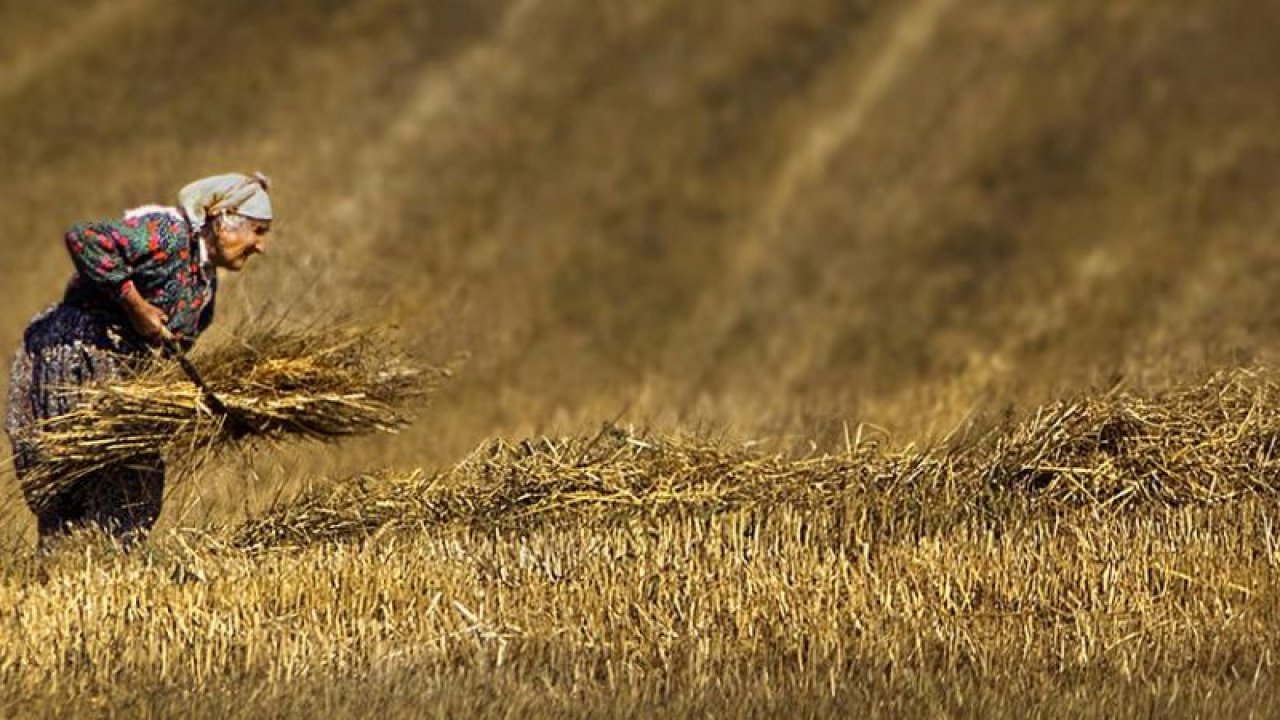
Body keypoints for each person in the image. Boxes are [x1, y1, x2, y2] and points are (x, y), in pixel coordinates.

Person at [4, 172, 273, 544]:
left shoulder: (204, 286)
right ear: (223, 220)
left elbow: (172, 349)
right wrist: (135, 305)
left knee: (129, 488)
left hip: (122, 370)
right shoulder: (167, 234)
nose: (261, 246)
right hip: (78, 355)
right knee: (83, 478)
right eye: (258, 231)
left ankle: (96, 571)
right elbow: (86, 238)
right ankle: (71, 564)